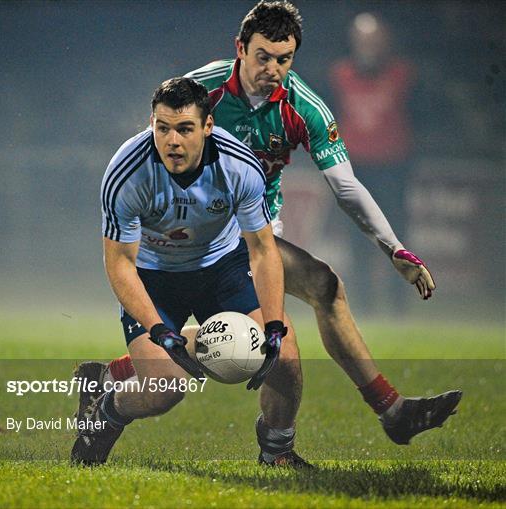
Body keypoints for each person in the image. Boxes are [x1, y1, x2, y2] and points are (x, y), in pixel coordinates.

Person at [77, 1, 461, 448]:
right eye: (263, 56)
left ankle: (381, 413)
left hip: (255, 231)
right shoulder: (204, 91)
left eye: (284, 59)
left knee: (321, 291)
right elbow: (157, 142)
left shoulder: (304, 108)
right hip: (203, 236)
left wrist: (393, 248)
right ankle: (387, 411)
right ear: (240, 49)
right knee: (253, 333)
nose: (273, 69)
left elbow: (346, 187)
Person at [71, 77, 309, 467]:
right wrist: (158, 328)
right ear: (152, 124)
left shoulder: (239, 166)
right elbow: (119, 263)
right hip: (154, 277)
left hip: (222, 268)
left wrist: (274, 327)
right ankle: (107, 409)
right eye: (162, 128)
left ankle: (277, 452)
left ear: (208, 127)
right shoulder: (127, 172)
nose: (172, 141)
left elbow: (264, 251)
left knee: (284, 359)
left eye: (184, 129)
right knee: (166, 389)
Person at [329, 13, 418, 314]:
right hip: (355, 168)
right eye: (363, 40)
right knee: (357, 238)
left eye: (374, 40)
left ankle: (398, 305)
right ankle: (364, 304)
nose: (368, 46)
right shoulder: (339, 75)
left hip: (392, 165)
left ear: (385, 42)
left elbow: (419, 116)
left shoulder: (402, 74)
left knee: (396, 236)